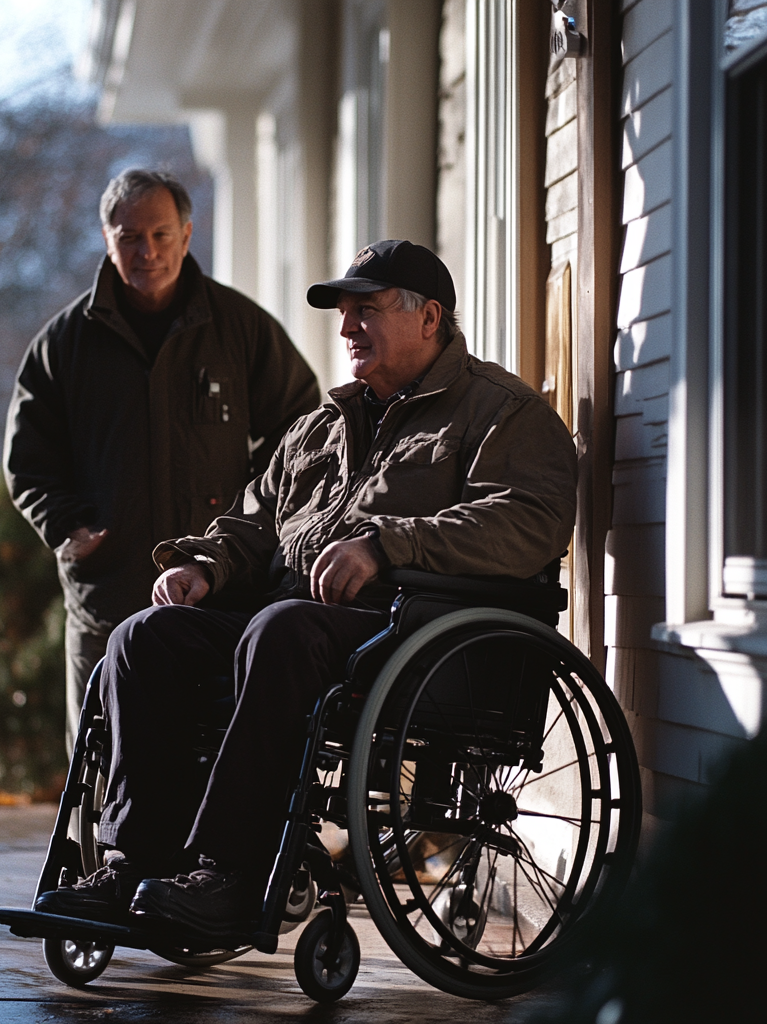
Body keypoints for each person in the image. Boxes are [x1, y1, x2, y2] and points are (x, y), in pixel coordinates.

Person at [35, 239, 579, 937]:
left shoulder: (501, 412)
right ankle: (131, 863)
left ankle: (229, 872)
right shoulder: (322, 426)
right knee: (146, 635)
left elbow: (526, 521)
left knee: (281, 628)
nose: (348, 328)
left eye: (366, 311)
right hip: (293, 624)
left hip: (411, 631)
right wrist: (204, 566)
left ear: (429, 317)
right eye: (344, 314)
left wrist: (389, 545)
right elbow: (254, 521)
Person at [3, 169, 319, 757]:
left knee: (209, 750)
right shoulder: (63, 344)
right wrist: (70, 527)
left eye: (161, 234)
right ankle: (100, 856)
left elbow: (300, 429)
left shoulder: (240, 328)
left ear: (187, 234)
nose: (146, 251)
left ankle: (197, 855)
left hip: (216, 589)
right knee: (100, 760)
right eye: (130, 237)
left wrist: (254, 515)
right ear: (107, 239)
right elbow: (28, 461)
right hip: (108, 588)